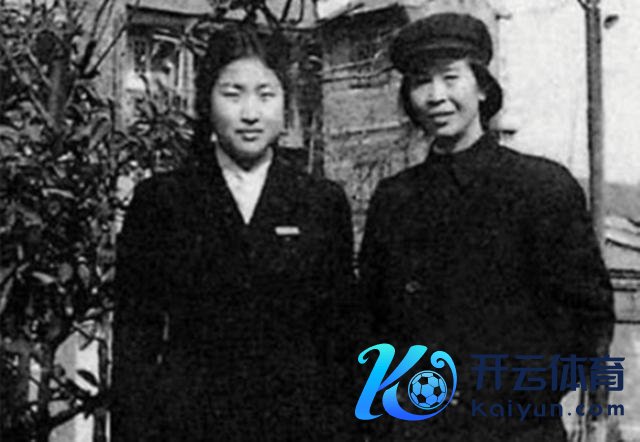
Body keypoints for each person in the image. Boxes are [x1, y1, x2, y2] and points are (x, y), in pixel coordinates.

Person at [359, 13, 614, 441]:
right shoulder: (394, 199)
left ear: (481, 87)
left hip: (516, 429)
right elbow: (372, 320)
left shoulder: (541, 187)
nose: (436, 96)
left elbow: (587, 319)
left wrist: (513, 397)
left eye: (450, 77)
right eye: (421, 82)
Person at [111, 23, 354, 441]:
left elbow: (340, 341)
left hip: (296, 426)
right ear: (207, 100)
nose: (250, 113)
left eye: (265, 94)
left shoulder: (321, 203)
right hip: (189, 426)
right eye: (233, 94)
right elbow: (135, 342)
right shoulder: (162, 201)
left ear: (286, 102)